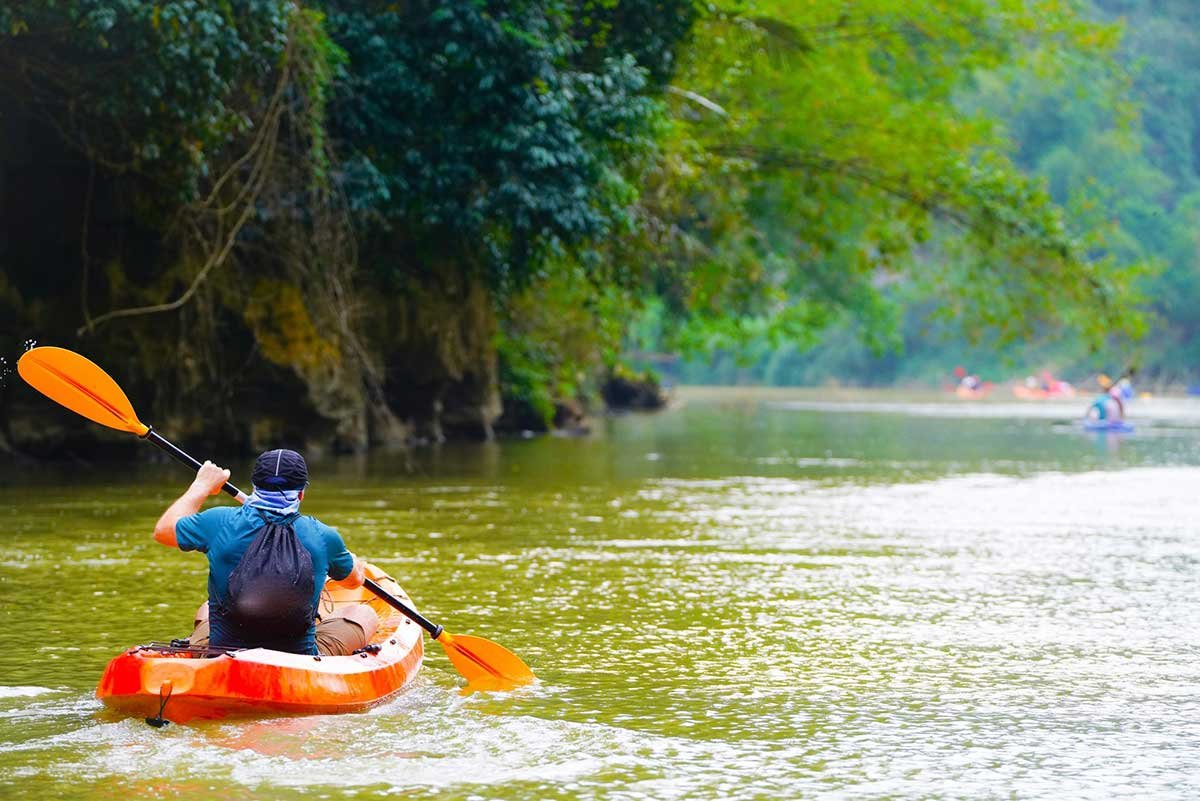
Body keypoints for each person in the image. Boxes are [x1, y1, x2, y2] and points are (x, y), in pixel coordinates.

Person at [153, 449, 379, 656]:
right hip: (299, 661)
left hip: (224, 655)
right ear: (301, 494)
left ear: (254, 486)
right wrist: (352, 561)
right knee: (364, 614)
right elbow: (353, 581)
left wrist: (201, 485)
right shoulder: (323, 536)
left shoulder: (219, 521)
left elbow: (164, 531)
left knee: (206, 609)